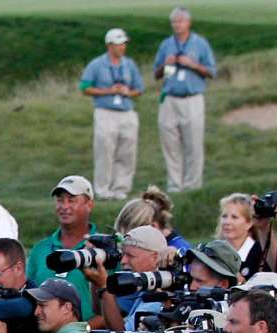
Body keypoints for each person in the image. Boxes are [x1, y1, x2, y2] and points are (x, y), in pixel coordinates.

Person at [154, 6, 217, 193]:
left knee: (193, 143)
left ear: (188, 22)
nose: (177, 25)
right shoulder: (166, 45)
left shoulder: (200, 44)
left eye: (180, 21)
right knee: (170, 142)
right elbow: (156, 73)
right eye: (174, 21)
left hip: (192, 99)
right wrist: (167, 63)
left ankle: (192, 185)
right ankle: (174, 184)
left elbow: (211, 71)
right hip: (170, 98)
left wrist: (192, 64)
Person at [83, 28, 145, 199]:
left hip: (126, 111)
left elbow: (139, 89)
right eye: (119, 44)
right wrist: (108, 91)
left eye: (124, 44)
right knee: (105, 150)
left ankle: (121, 188)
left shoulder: (129, 64)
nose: (122, 47)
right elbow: (85, 87)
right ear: (110, 45)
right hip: (105, 111)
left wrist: (128, 92)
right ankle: (103, 189)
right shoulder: (97, 64)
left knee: (127, 152)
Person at [26, 176, 100, 316]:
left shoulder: (102, 249)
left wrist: (80, 331)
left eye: (72, 200)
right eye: (60, 200)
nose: (64, 206)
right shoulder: (41, 249)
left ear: (89, 205)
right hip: (43, 332)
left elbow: (115, 306)